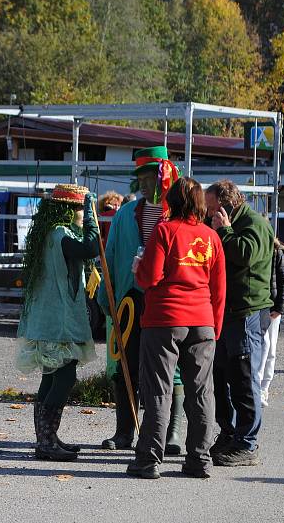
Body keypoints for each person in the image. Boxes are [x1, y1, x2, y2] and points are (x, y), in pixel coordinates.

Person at [125, 177, 226, 479]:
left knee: (158, 389)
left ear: (172, 201)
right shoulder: (211, 237)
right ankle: (199, 459)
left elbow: (150, 277)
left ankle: (148, 459)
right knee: (201, 391)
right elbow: (219, 289)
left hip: (164, 318)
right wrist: (214, 327)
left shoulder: (164, 231)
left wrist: (138, 269)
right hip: (202, 320)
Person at [96, 146, 183, 453]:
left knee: (170, 369)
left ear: (163, 177)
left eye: (149, 178)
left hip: (166, 301)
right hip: (131, 300)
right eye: (141, 179)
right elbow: (111, 256)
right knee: (127, 366)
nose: (144, 185)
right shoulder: (124, 215)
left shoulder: (177, 214)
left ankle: (170, 434)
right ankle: (123, 433)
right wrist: (107, 295)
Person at [16, 184, 99, 462]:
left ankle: (47, 439)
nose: (79, 214)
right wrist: (91, 216)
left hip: (51, 318)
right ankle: (47, 441)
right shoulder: (60, 234)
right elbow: (89, 248)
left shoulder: (51, 234)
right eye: (77, 209)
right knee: (63, 377)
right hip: (58, 320)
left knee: (51, 376)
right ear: (68, 210)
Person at [205, 180, 273, 466]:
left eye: (211, 210)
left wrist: (225, 230)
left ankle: (247, 442)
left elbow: (244, 255)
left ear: (227, 206)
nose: (208, 215)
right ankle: (229, 432)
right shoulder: (223, 224)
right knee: (222, 377)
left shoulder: (253, 223)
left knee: (244, 380)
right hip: (227, 312)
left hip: (247, 312)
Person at [256, 237, 284, 407]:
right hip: (258, 306)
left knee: (270, 349)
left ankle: (263, 388)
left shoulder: (278, 252)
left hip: (272, 307)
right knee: (263, 345)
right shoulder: (255, 248)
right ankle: (256, 386)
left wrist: (280, 307)